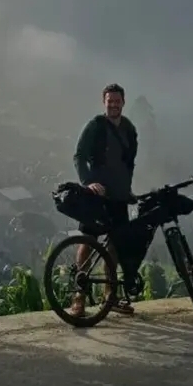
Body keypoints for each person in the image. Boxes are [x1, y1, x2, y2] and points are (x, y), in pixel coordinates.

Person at [69, 82, 139, 317]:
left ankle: (110, 297)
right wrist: (87, 182)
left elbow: (128, 164)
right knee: (88, 241)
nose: (113, 105)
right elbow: (78, 156)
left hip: (119, 198)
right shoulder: (95, 126)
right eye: (110, 101)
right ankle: (78, 296)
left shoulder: (129, 129)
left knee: (115, 246)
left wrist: (127, 190)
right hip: (96, 196)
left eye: (117, 101)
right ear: (104, 102)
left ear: (123, 102)